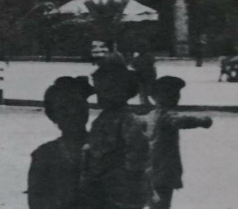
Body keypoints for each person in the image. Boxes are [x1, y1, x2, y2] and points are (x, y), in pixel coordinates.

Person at [80, 57, 150, 209]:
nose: (102, 97)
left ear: (124, 91)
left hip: (120, 193)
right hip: (98, 190)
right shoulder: (101, 119)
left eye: (108, 91)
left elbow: (136, 158)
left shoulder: (129, 121)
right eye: (99, 91)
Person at [145, 76, 213, 209]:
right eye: (173, 94)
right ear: (159, 96)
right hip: (163, 172)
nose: (177, 97)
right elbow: (181, 120)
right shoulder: (166, 116)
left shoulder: (151, 115)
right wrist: (203, 120)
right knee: (162, 204)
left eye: (177, 94)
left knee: (155, 203)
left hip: (150, 170)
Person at [27, 76, 94, 209]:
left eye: (77, 105)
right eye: (63, 109)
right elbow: (37, 201)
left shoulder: (107, 145)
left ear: (86, 108)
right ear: (53, 116)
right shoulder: (44, 155)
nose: (72, 112)